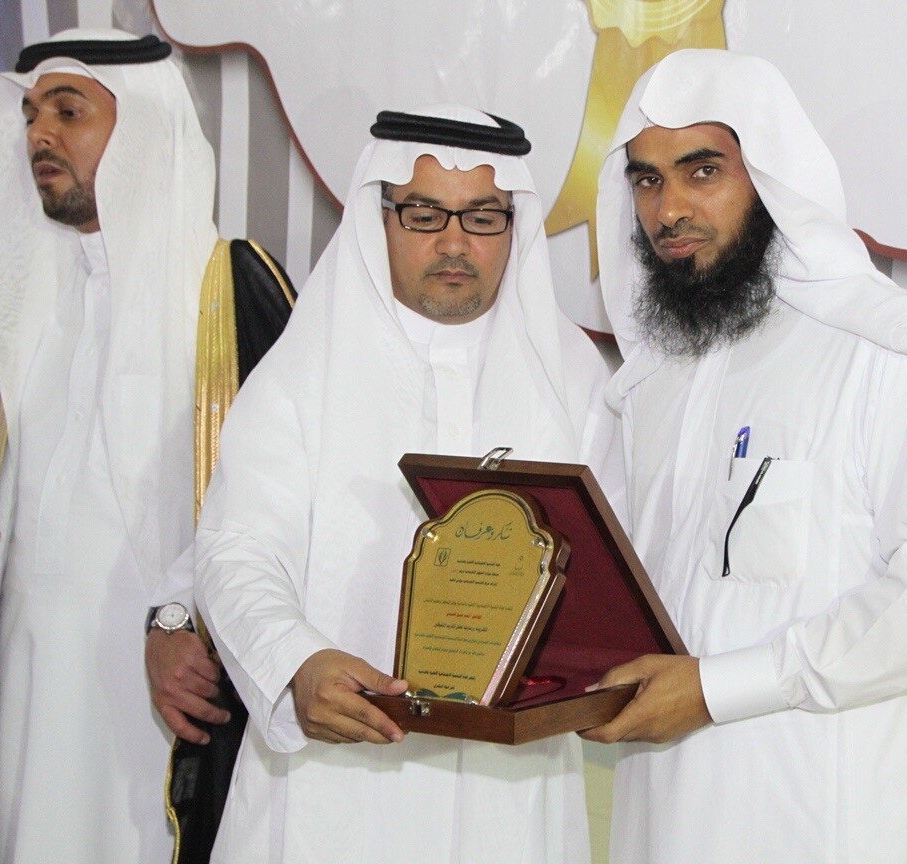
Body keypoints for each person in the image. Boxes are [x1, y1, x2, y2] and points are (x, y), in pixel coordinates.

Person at [583, 49, 907, 863]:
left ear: (773, 176)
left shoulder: (888, 354)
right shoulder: (655, 379)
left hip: (832, 816)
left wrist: (718, 689)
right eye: (646, 180)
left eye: (703, 171)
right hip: (669, 811)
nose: (669, 209)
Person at [193, 106, 622, 863]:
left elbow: (606, 578)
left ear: (514, 225)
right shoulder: (303, 374)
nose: (454, 243)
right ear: (380, 216)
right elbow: (236, 549)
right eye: (424, 214)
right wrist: (295, 662)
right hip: (337, 787)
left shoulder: (575, 381)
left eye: (483, 217)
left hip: (507, 797)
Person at [0, 29, 294, 863]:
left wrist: (184, 618)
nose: (40, 136)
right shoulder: (32, 309)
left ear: (147, 125)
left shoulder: (230, 289)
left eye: (68, 112)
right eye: (31, 115)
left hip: (164, 698)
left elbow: (281, 503)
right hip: (33, 688)